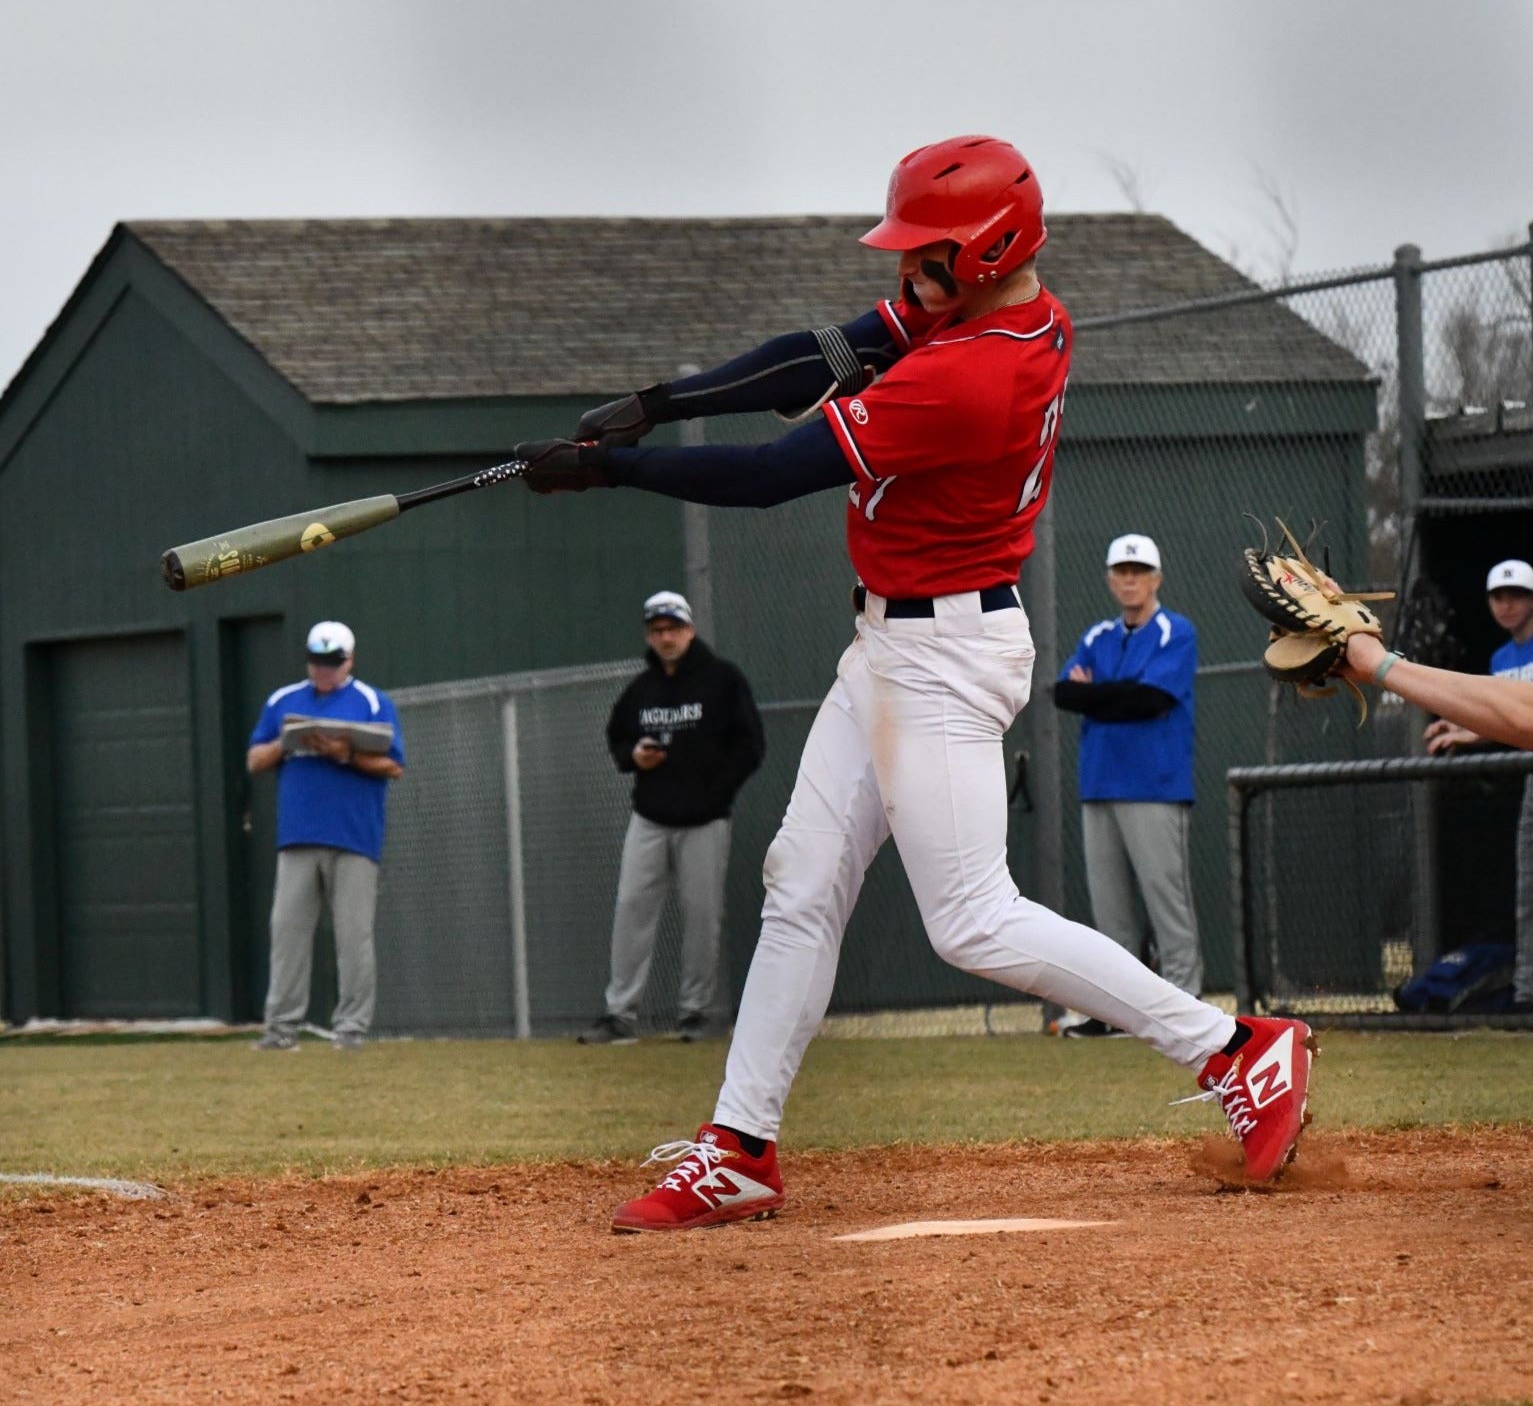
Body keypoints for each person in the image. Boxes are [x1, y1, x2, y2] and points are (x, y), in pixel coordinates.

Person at [516, 134, 1314, 1229]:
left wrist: (611, 469)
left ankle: (1234, 1049)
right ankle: (740, 1146)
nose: (904, 269)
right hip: (893, 646)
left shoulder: (972, 374)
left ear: (984, 252)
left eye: (926, 251)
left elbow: (769, 475)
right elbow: (819, 355)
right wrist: (656, 401)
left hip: (943, 657)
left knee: (972, 919)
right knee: (801, 881)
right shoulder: (996, 310)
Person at [579, 589, 765, 1045]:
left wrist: (716, 793)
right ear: (649, 636)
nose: (666, 638)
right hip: (650, 817)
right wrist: (633, 756)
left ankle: (696, 1014)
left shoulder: (723, 680)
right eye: (657, 630)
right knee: (631, 910)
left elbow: (750, 746)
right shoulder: (641, 690)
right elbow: (617, 733)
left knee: (702, 916)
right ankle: (620, 1015)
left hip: (705, 819)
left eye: (673, 628)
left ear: (690, 630)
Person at [1358, 559, 1533, 1013]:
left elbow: (1523, 715)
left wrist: (1379, 665)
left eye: (1518, 594)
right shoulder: (1501, 659)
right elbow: (1511, 715)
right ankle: (1525, 994)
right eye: (1499, 596)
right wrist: (1467, 727)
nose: (1507, 604)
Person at [1051, 534, 1202, 1038]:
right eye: (1121, 571)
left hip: (1155, 786)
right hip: (1099, 784)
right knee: (1110, 913)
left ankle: (1185, 1009)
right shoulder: (1097, 635)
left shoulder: (1175, 631)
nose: (1130, 579)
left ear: (1156, 579)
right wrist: (1111, 695)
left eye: (1139, 571)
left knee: (1168, 904)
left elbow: (1151, 700)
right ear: (1110, 580)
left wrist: (1095, 694)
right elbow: (1064, 694)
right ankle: (1118, 1013)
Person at [246, 621, 405, 1050]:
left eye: (332, 664)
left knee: (353, 936)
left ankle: (351, 1029)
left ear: (350, 661)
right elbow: (255, 760)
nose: (324, 672)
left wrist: (346, 754)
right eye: (317, 662)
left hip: (353, 837)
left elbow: (393, 765)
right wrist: (286, 743)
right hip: (297, 837)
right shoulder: (283, 701)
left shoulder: (372, 702)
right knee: (287, 933)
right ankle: (280, 1030)